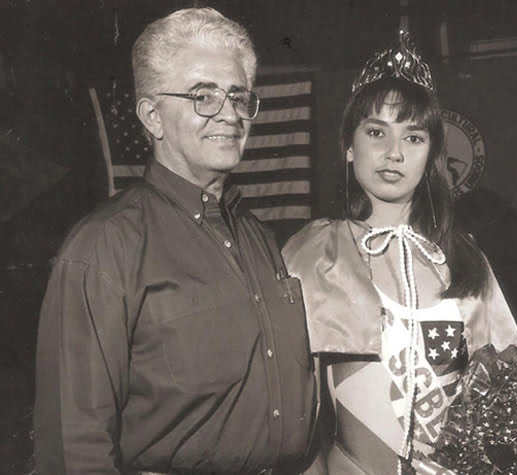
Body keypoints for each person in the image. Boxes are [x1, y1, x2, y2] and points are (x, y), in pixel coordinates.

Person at [33, 8, 316, 474]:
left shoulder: (258, 238)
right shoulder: (105, 247)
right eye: (203, 96)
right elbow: (73, 447)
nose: (229, 114)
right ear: (152, 117)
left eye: (238, 96)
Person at [283, 32, 517, 474]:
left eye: (413, 137)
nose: (393, 153)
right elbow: (290, 414)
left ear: (431, 154)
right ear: (349, 146)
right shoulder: (315, 252)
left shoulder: (465, 258)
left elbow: (506, 392)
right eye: (377, 132)